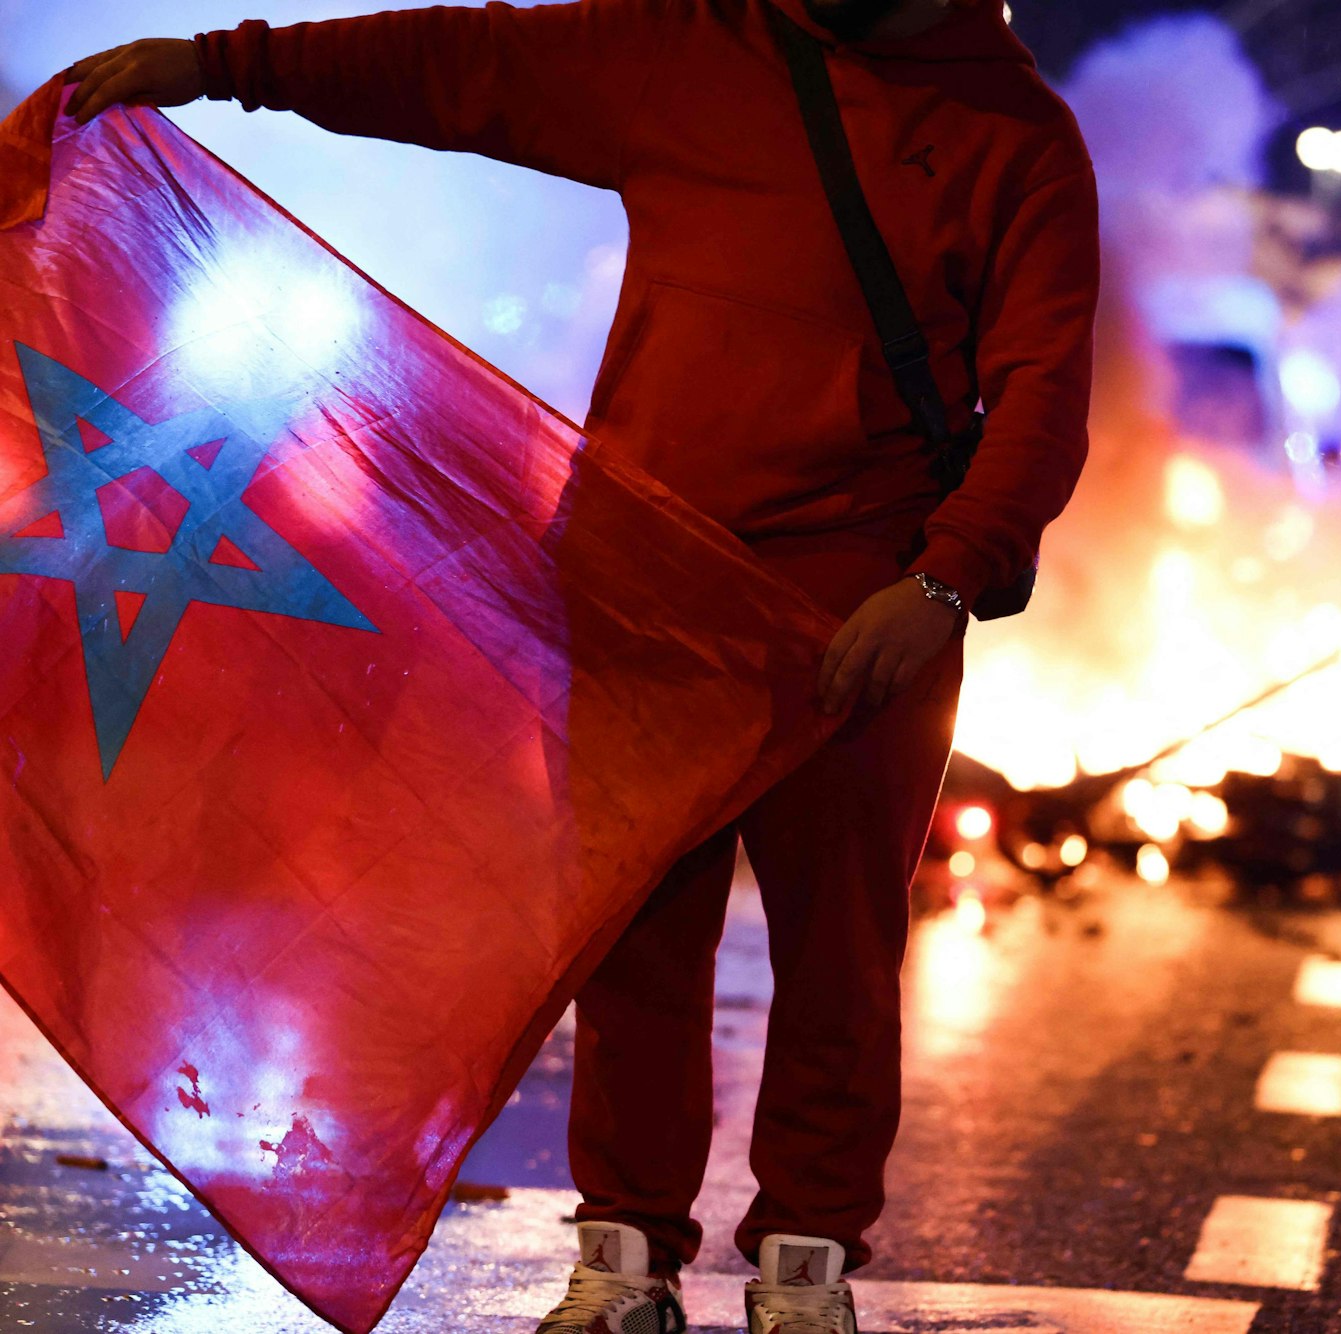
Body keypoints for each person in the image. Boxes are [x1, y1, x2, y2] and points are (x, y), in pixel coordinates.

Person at [65, 4, 1100, 1332]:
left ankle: (805, 1262)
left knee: (838, 953)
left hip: (858, 597)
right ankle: (624, 1259)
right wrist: (218, 69)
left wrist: (944, 578)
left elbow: (1040, 389)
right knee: (631, 939)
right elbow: (463, 66)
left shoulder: (1011, 133)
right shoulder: (693, 50)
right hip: (641, 581)